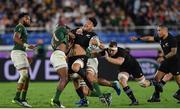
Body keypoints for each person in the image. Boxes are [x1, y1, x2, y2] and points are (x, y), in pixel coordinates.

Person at [67, 17, 112, 107]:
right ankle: (86, 100)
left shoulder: (92, 35)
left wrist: (99, 44)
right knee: (76, 81)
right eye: (86, 22)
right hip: (72, 58)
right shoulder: (77, 30)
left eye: (89, 23)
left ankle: (99, 93)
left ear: (92, 27)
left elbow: (95, 43)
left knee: (85, 75)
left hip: (84, 58)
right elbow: (68, 35)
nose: (86, 24)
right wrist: (69, 33)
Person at [131, 25, 180, 103]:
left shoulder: (172, 39)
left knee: (178, 82)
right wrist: (138, 38)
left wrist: (163, 57)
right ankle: (156, 97)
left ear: (165, 31)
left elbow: (173, 52)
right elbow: (149, 38)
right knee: (156, 78)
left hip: (175, 63)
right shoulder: (160, 38)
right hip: (166, 62)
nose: (158, 32)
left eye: (159, 30)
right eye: (157, 30)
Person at [98, 41, 152, 105]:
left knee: (143, 84)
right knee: (122, 81)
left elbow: (119, 62)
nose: (111, 52)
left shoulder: (121, 51)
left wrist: (107, 58)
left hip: (133, 66)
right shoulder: (106, 51)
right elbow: (96, 54)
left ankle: (155, 83)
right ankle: (134, 100)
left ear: (116, 49)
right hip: (124, 68)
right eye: (110, 50)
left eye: (113, 50)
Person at [11, 13, 36, 108]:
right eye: (28, 19)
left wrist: (28, 48)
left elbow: (21, 42)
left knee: (27, 77)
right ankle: (16, 98)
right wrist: (26, 46)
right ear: (23, 19)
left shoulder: (23, 28)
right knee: (24, 75)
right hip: (17, 53)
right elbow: (15, 38)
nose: (29, 21)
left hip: (22, 53)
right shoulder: (19, 27)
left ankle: (23, 99)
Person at [50, 25, 75, 107]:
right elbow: (73, 35)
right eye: (68, 30)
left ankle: (55, 98)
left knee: (66, 78)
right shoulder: (61, 29)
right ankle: (55, 100)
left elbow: (66, 51)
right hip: (58, 55)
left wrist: (70, 45)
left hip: (59, 55)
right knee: (64, 78)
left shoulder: (59, 37)